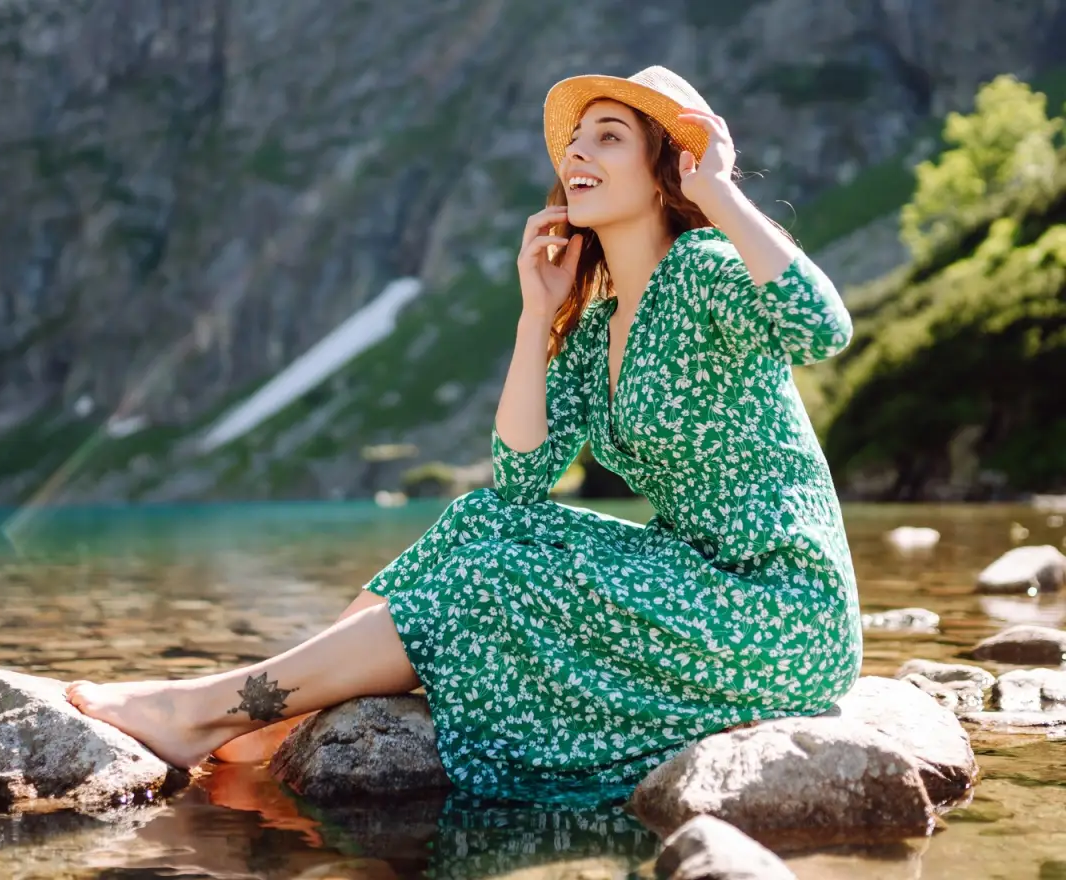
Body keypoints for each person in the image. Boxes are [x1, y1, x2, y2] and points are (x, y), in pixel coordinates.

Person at [67, 66, 863, 803]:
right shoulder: (594, 329)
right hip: (691, 581)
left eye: (609, 137)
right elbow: (520, 481)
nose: (579, 152)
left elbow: (823, 326)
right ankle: (273, 706)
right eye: (575, 141)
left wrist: (719, 191)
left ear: (667, 172)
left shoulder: (705, 266)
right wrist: (535, 315)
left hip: (776, 606)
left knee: (487, 572)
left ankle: (210, 709)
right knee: (479, 522)